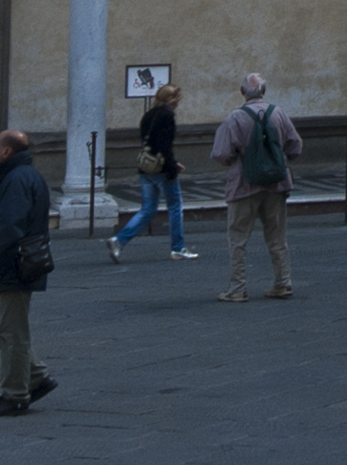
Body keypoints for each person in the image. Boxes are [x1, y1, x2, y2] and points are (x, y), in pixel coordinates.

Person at [0, 128, 58, 417]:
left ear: (7, 152)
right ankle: (36, 377)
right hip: (19, 263)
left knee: (12, 332)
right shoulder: (23, 175)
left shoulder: (18, 179)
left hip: (14, 265)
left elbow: (9, 228)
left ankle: (15, 395)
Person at [207, 73, 305, 305]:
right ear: (265, 91)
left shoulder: (235, 118)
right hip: (276, 183)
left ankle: (238, 288)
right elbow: (295, 145)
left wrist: (236, 160)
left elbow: (221, 153)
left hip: (244, 184)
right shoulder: (278, 113)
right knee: (277, 236)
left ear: (242, 92)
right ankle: (283, 283)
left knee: (238, 238)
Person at [108, 82, 190, 263]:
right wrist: (172, 167)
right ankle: (178, 248)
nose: (178, 102)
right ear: (170, 99)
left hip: (146, 167)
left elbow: (151, 143)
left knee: (147, 209)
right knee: (175, 207)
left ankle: (119, 240)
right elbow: (165, 146)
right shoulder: (167, 115)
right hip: (162, 168)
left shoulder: (148, 115)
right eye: (176, 99)